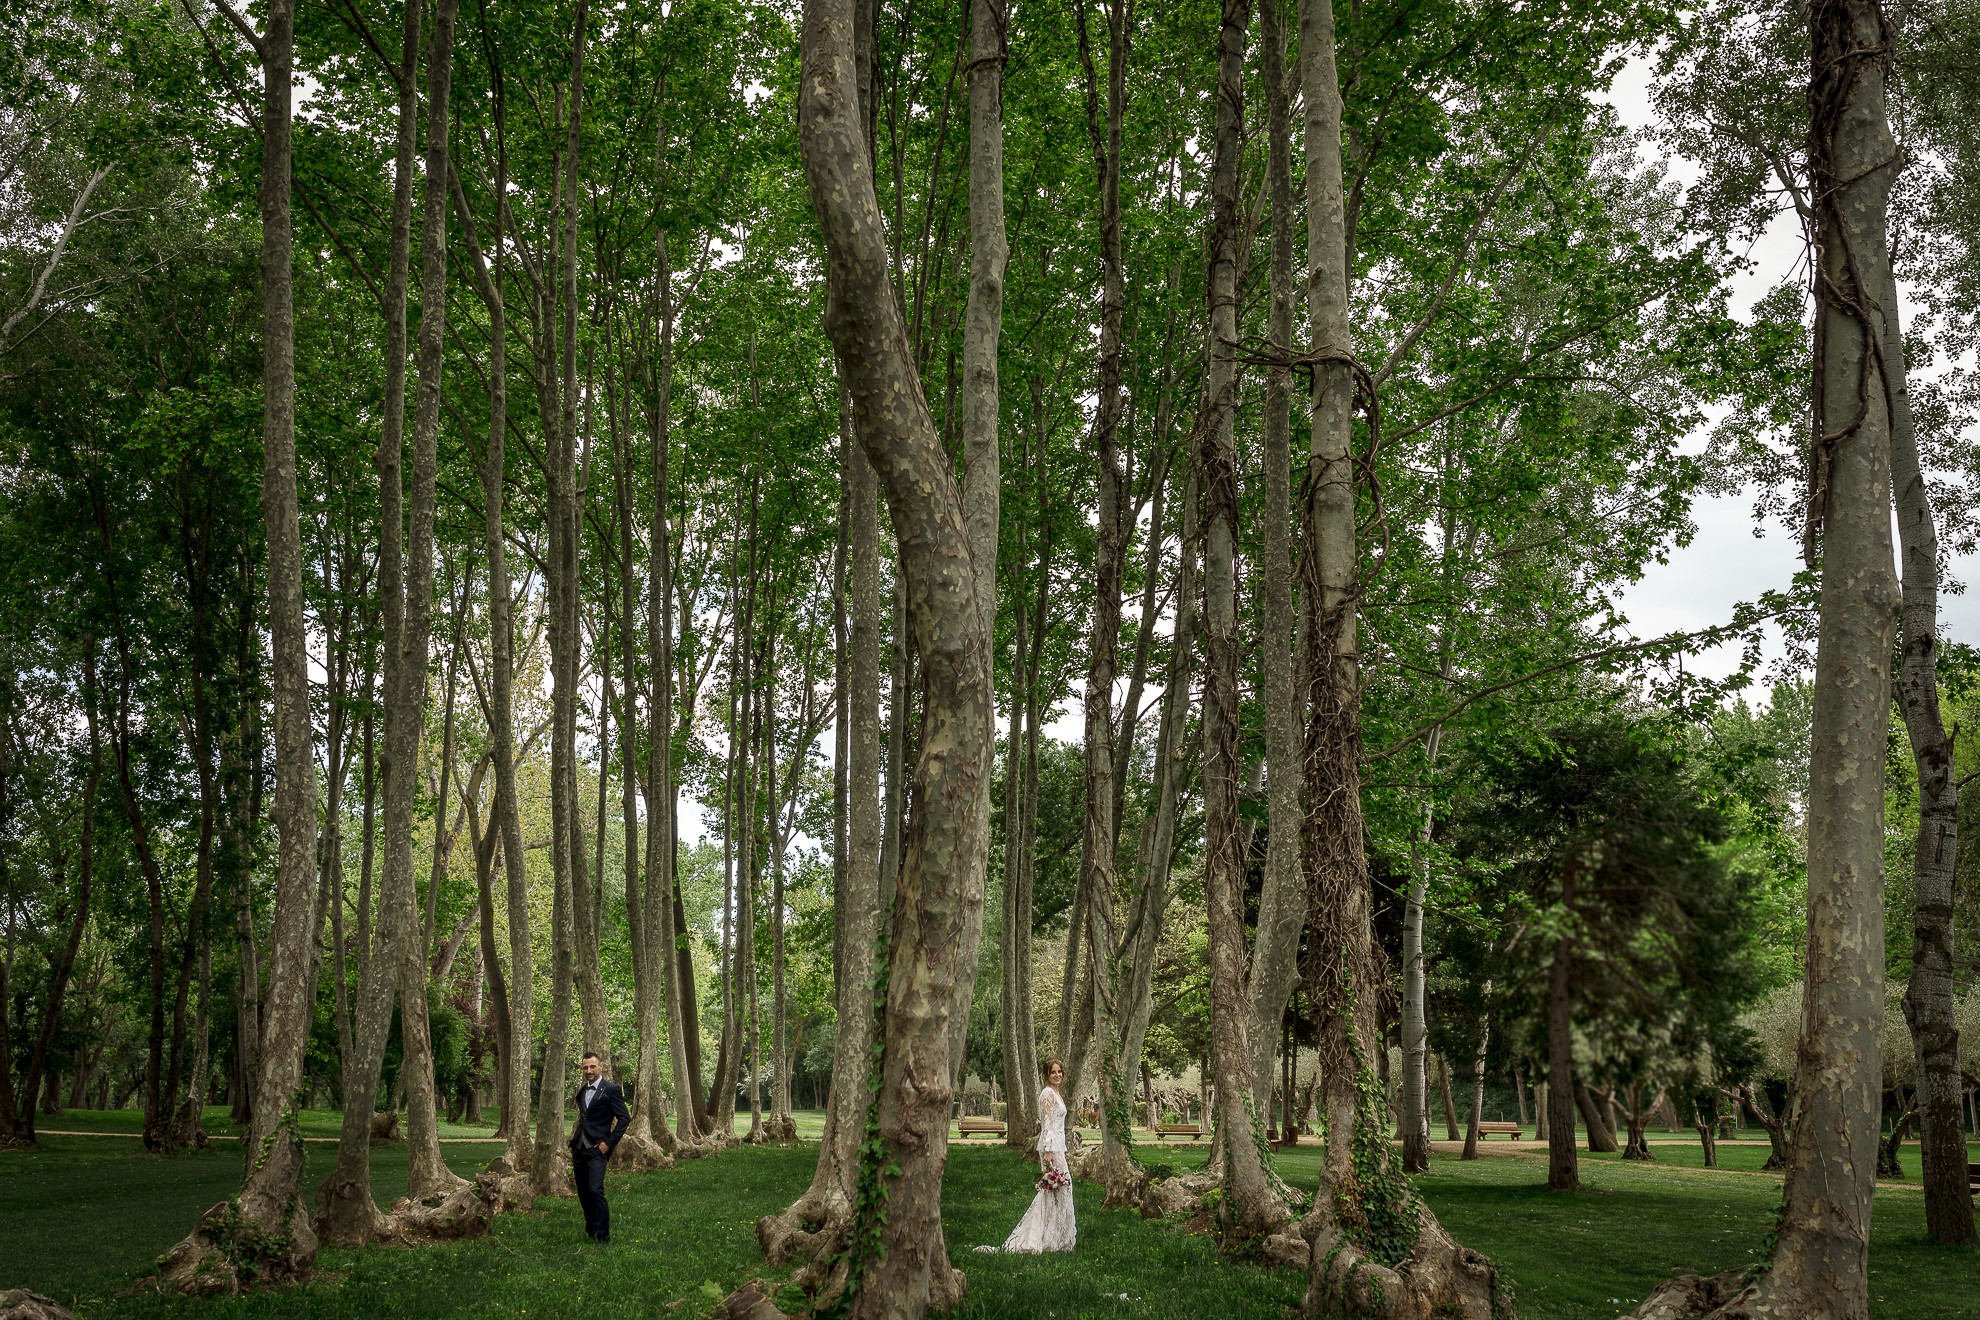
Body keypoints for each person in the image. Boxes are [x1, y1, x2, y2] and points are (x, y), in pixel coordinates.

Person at [994, 1058, 1076, 1253]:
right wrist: (1048, 1150)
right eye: (1053, 1072)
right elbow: (1047, 1122)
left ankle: (1057, 1236)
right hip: (1051, 1149)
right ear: (1046, 1075)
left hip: (1058, 1146)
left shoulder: (1056, 1093)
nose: (1057, 1075)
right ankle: (1043, 1236)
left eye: (1059, 1071)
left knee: (1059, 1190)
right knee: (1057, 1188)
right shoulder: (1047, 1093)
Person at [569, 1051, 630, 1243]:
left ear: (600, 1066)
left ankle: (603, 1236)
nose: (589, 1070)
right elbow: (585, 1118)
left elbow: (624, 1118)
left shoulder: (611, 1090)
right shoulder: (581, 1091)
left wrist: (608, 1143)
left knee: (595, 1189)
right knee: (583, 1191)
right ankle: (591, 1227)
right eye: (585, 1067)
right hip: (579, 1148)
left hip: (598, 1149)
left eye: (592, 1066)